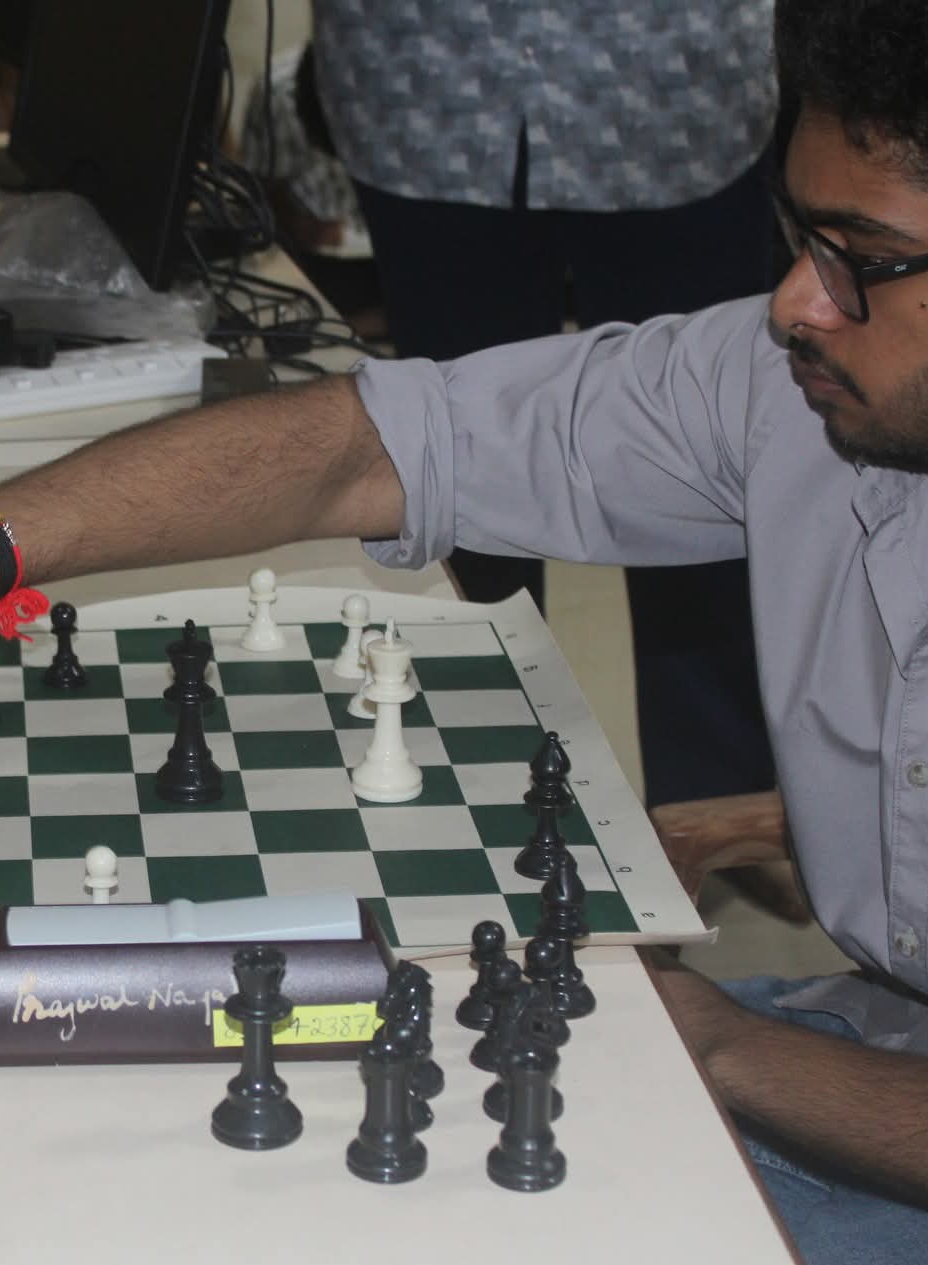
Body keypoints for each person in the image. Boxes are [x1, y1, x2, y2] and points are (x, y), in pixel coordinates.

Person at [0, 0, 928, 1265]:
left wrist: (711, 1043)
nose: (796, 303)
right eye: (799, 238)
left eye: (866, 262)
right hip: (876, 1050)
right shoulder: (802, 392)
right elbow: (380, 445)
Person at [312, 0, 782, 811]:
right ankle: (473, 792)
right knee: (447, 480)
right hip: (428, 85)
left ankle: (718, 814)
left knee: (704, 481)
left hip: (675, 88)